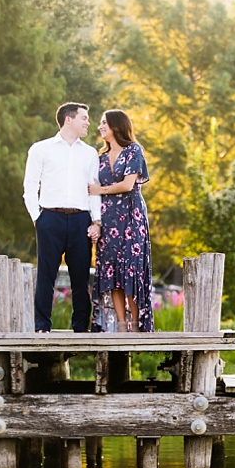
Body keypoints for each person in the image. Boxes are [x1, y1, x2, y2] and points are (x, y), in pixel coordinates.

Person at [23, 102, 101, 332]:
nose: (88, 122)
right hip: (50, 218)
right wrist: (37, 218)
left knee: (81, 278)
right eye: (84, 118)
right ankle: (42, 327)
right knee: (46, 276)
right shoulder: (40, 149)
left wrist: (96, 222)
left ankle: (80, 329)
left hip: (80, 220)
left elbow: (93, 190)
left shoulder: (90, 153)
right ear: (69, 119)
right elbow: (30, 186)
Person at [88, 109, 154, 332]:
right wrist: (96, 221)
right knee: (112, 271)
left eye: (104, 122)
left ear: (116, 126)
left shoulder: (133, 150)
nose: (100, 126)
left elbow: (127, 185)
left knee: (130, 269)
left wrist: (101, 190)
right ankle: (121, 324)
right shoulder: (99, 158)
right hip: (108, 219)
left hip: (132, 217)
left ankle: (136, 324)